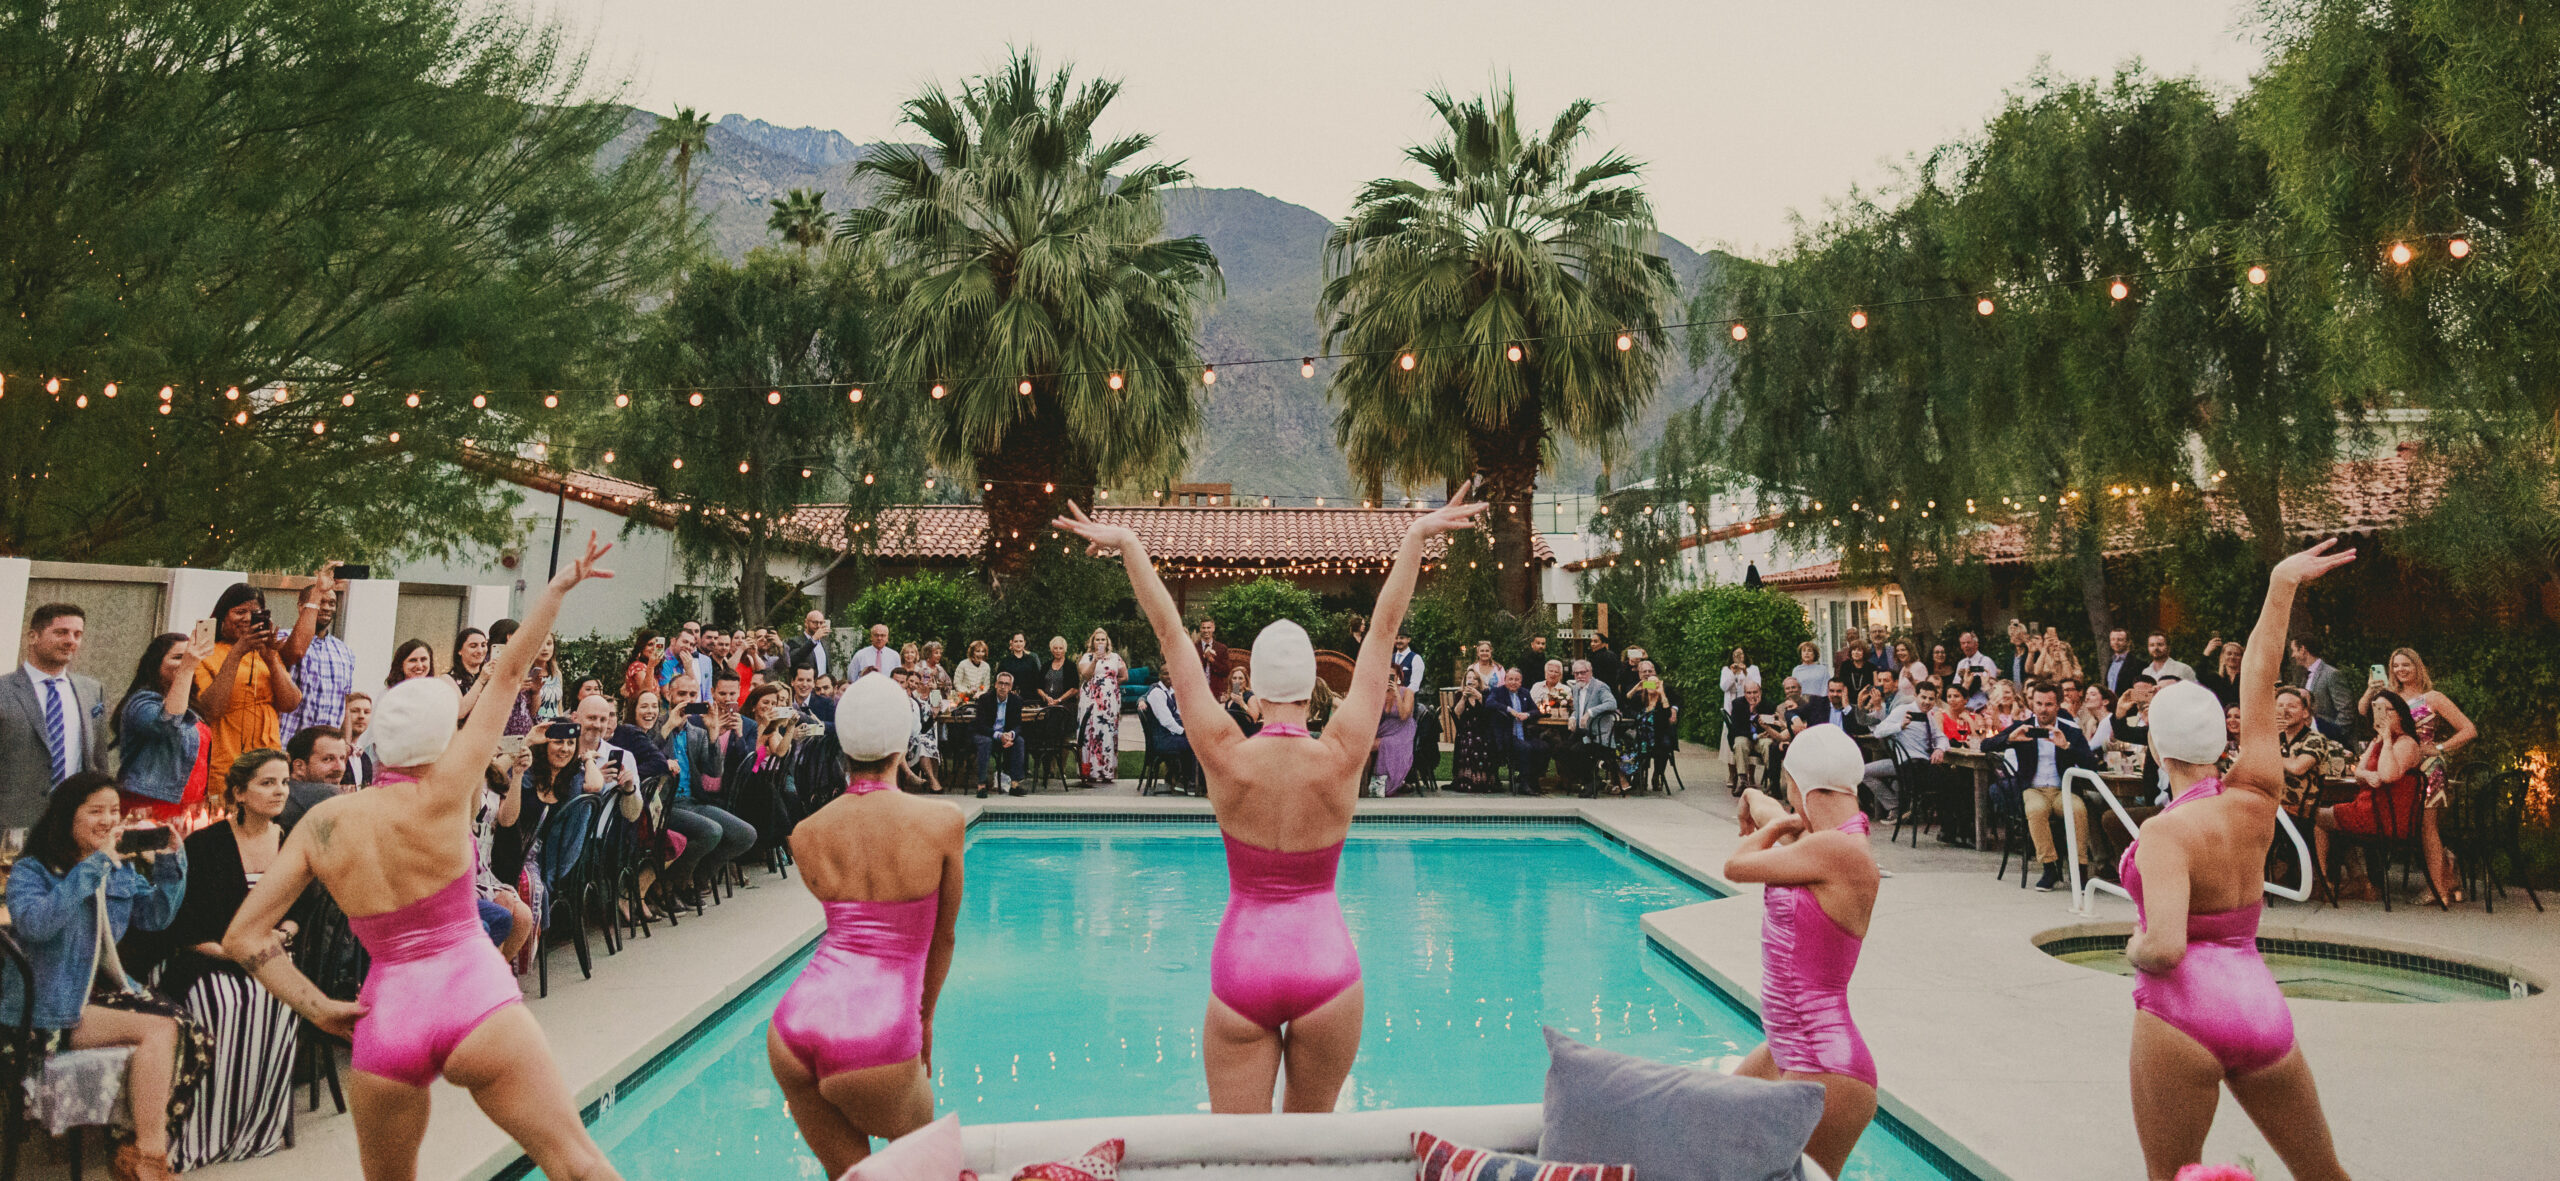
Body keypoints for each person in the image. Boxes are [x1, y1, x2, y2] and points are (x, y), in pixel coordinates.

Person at [1053, 483, 1486, 1114]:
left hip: (1242, 968)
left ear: (1251, 687)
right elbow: (1384, 631)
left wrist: (1130, 547)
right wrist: (1417, 538)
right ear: (1314, 690)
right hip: (1328, 967)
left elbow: (1170, 636)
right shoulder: (1341, 752)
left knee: (1240, 1159)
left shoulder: (1226, 753)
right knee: (1308, 1159)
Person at [221, 533, 624, 1181]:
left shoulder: (324, 820)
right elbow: (510, 674)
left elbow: (243, 935)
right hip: (473, 997)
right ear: (442, 737)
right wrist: (555, 590)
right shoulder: (447, 790)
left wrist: (318, 1005)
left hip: (385, 1021)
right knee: (576, 1163)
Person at [2119, 540, 2353, 1181]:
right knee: (2324, 1173)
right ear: (2222, 739)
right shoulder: (2255, 793)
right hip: (2259, 1005)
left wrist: (2132, 946)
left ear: (2157, 746)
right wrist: (2280, 586)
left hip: (2182, 1014)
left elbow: (2165, 948)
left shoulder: (2165, 832)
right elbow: (2259, 671)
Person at [766, 674, 963, 1176]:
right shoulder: (943, 823)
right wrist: (925, 1019)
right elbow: (942, 937)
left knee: (850, 1177)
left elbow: (845, 928)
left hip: (794, 1027)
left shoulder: (806, 834)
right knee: (921, 1172)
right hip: (879, 1029)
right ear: (903, 748)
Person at [4, 772, 199, 1181]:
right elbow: (37, 925)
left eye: (115, 811)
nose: (110, 820)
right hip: (47, 1005)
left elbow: (156, 917)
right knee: (162, 1029)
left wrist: (170, 862)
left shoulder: (115, 865)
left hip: (99, 991)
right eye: (96, 811)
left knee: (188, 1030)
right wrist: (93, 868)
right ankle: (147, 1159)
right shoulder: (32, 871)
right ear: (65, 816)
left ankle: (138, 1154)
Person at [1724, 726, 1881, 1181]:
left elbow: (1737, 864)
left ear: (1801, 785)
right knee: (1708, 1136)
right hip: (1787, 1048)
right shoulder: (1832, 843)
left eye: (1788, 787)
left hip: (1824, 1067)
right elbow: (1802, 834)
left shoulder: (1835, 850)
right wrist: (1756, 797)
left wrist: (1775, 823)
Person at [148, 751, 304, 1170]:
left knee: (276, 1000)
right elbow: (186, 923)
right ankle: (199, 1129)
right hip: (205, 956)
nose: (279, 791)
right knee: (225, 1003)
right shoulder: (207, 844)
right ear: (239, 792)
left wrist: (284, 933)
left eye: (284, 782)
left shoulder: (290, 841)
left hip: (271, 957)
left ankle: (253, 1125)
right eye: (267, 783)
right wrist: (232, 951)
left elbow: (302, 910)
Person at [2357, 647, 2475, 901]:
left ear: (2417, 666)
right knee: (2408, 825)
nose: (2401, 670)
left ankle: (2439, 889)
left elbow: (2468, 729)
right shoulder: (2389, 697)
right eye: (2396, 666)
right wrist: (2370, 690)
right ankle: (2447, 868)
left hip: (2426, 768)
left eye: (2406, 665)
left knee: (2427, 826)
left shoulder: (2432, 697)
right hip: (2397, 763)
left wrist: (2440, 747)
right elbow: (2363, 711)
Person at [4, 605, 114, 836]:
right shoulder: (4, 691)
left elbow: (98, 760)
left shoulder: (92, 691)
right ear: (33, 636)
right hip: (13, 826)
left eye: (77, 634)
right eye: (61, 632)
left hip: (74, 823)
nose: (71, 641)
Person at [1986, 682, 2098, 891]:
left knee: (2078, 810)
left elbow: (2091, 765)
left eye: (2048, 704)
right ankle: (2049, 867)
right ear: (2032, 704)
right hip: (2033, 788)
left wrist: (2066, 746)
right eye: (2038, 703)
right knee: (2035, 810)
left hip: (2062, 788)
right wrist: (2010, 738)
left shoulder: (2070, 730)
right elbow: (1986, 745)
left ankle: (2079, 867)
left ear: (2057, 706)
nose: (2043, 709)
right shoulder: (2025, 726)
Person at [198, 583, 305, 795]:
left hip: (268, 762)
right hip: (226, 763)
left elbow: (290, 703)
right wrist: (237, 653)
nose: (247, 619)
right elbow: (211, 710)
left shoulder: (266, 654)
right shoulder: (205, 654)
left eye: (255, 613)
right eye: (240, 612)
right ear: (222, 616)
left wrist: (271, 658)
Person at [2315, 690, 2422, 898]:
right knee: (2332, 817)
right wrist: (2368, 774)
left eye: (2386, 710)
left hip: (2388, 817)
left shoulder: (2405, 743)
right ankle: (2360, 880)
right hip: (2368, 808)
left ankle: (2324, 881)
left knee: (2318, 818)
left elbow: (2388, 775)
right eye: (2377, 710)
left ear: (2400, 714)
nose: (2381, 715)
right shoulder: (2376, 741)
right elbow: (2359, 773)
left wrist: (2388, 740)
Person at [113, 630, 216, 824]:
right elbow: (168, 723)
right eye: (178, 657)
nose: (187, 662)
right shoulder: (143, 701)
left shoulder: (192, 706)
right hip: (149, 805)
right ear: (156, 663)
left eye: (190, 657)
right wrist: (187, 669)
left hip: (187, 807)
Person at [276, 563, 356, 744]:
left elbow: (344, 704)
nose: (327, 608)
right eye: (321, 602)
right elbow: (294, 652)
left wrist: (346, 745)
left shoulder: (345, 652)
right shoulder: (282, 638)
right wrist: (318, 591)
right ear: (301, 606)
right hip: (288, 747)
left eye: (332, 603)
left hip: (327, 754)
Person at [1862, 680, 1948, 819]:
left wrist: (1939, 749)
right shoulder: (1903, 710)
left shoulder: (1930, 715)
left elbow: (1941, 737)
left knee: (1952, 782)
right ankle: (1895, 805)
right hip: (1905, 764)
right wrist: (1899, 726)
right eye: (1923, 697)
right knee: (1863, 772)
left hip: (1922, 764)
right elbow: (1878, 731)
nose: (1927, 702)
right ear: (1916, 696)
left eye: (1931, 699)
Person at [1370, 633, 1423, 796]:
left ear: (1399, 677)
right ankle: (1363, 782)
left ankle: (1384, 781)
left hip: (1402, 730)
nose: (1399, 641)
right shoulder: (1381, 693)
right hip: (1386, 729)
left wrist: (1397, 693)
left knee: (1375, 745)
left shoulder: (1415, 661)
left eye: (1392, 676)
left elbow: (1404, 715)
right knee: (1362, 743)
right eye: (1386, 676)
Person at [1075, 629, 1125, 784]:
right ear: (1092, 642)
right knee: (1090, 733)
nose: (1100, 642)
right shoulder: (1086, 657)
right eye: (1097, 640)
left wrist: (1111, 686)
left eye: (1103, 639)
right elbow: (1086, 675)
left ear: (1107, 642)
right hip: (1091, 700)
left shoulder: (1115, 657)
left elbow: (1124, 675)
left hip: (1109, 702)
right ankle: (1088, 772)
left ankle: (1106, 772)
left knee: (1107, 733)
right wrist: (1095, 660)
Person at [278, 725, 350, 830]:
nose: (340, 768)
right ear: (299, 767)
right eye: (328, 759)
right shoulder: (327, 793)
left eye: (342, 758)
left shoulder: (280, 793)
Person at [2289, 635, 2358, 743]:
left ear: (2302, 650)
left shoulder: (2331, 674)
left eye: (2294, 651)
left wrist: (2332, 737)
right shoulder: (2305, 676)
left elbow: (2346, 712)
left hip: (2331, 743)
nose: (2293, 655)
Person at [968, 671, 1027, 798]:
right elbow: (981, 725)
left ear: (1011, 687)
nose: (1003, 687)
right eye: (1000, 683)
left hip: (1004, 736)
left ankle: (1015, 785)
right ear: (995, 685)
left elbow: (1018, 725)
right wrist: (999, 736)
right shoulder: (985, 699)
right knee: (986, 742)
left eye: (1006, 684)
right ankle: (982, 785)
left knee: (1019, 741)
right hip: (985, 734)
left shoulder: (1016, 701)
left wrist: (1010, 735)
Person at [1144, 675, 1199, 794]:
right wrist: (1184, 732)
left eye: (1171, 673)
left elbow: (1178, 712)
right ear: (1159, 675)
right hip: (1162, 740)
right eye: (1165, 673)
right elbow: (1166, 721)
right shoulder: (1157, 693)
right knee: (1195, 744)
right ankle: (1190, 783)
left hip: (1168, 736)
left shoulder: (1170, 691)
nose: (1170, 676)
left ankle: (1183, 781)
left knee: (1195, 740)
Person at [897, 667, 946, 794]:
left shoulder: (933, 694)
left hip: (928, 731)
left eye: (927, 678)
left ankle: (933, 780)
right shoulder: (913, 696)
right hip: (918, 733)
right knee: (924, 744)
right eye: (912, 681)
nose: (925, 681)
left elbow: (935, 712)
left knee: (931, 744)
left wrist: (934, 690)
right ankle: (933, 781)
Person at [1488, 668, 1536, 794]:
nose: (1513, 682)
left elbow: (1536, 711)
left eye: (1517, 680)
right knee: (1526, 748)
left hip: (1525, 733)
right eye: (1510, 679)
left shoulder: (1525, 693)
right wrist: (1509, 710)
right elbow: (1489, 703)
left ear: (1521, 682)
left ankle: (1533, 780)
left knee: (1543, 747)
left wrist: (1527, 714)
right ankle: (1524, 784)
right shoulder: (1498, 692)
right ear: (1505, 680)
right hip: (1506, 735)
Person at [1449, 668, 1496, 792]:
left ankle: (1483, 780)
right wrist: (1464, 699)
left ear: (1479, 681)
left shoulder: (1486, 693)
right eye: (1469, 678)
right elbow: (1457, 713)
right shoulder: (1460, 694)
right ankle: (1467, 779)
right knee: (1470, 741)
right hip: (1466, 730)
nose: (1472, 681)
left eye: (1475, 678)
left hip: (1483, 730)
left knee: (1480, 741)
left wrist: (1479, 697)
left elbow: (1490, 712)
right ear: (1465, 681)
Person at [1728, 682, 1774, 793]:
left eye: (1755, 692)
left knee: (1769, 744)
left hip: (1762, 737)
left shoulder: (1768, 704)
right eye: (1749, 693)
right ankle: (1743, 780)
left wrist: (1757, 709)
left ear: (1760, 692)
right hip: (1745, 736)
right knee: (1740, 743)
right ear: (1744, 694)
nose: (1752, 696)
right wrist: (1751, 711)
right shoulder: (1737, 704)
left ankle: (1773, 781)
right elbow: (1736, 728)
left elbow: (1770, 725)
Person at [619, 631, 664, 718]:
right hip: (639, 716)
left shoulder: (649, 667)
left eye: (657, 645)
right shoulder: (638, 666)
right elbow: (646, 691)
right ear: (642, 647)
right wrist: (651, 666)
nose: (654, 648)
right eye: (650, 644)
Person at [342, 690, 379, 787]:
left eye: (366, 712)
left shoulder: (365, 758)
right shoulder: (336, 755)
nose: (361, 716)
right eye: (354, 711)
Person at [1952, 631, 1996, 709]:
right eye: (1963, 643)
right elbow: (1956, 686)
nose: (1966, 646)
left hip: (1983, 705)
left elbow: (1992, 687)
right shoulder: (1961, 664)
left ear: (1976, 644)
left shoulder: (1986, 661)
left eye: (1969, 642)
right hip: (1964, 705)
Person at [2196, 637, 2245, 707]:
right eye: (2229, 653)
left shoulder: (2246, 680)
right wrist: (2207, 652)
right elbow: (2200, 675)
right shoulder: (2216, 679)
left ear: (2242, 658)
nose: (2232, 657)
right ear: (2222, 657)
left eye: (2237, 654)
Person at [787, 611, 835, 678]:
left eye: (821, 623)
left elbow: (828, 667)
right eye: (815, 622)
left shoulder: (825, 642)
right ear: (806, 622)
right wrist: (813, 639)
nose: (818, 626)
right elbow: (793, 659)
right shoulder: (794, 641)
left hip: (822, 685)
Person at [995, 633, 1043, 698]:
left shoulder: (1032, 661)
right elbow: (998, 682)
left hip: (1029, 699)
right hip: (1010, 698)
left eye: (1021, 641)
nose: (1018, 644)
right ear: (1011, 643)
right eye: (1016, 641)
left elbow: (1037, 682)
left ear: (1024, 643)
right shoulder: (1005, 662)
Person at [1222, 666, 1263, 736]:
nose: (1237, 681)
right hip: (1231, 735)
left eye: (1240, 678)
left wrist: (1242, 703)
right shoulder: (1230, 698)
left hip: (1245, 735)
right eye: (1234, 678)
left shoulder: (1250, 696)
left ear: (1245, 681)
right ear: (1231, 681)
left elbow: (1254, 718)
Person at [2099, 627, 2139, 697]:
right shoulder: (2111, 662)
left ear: (2128, 642)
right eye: (2113, 639)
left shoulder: (2136, 664)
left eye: (2120, 640)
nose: (2116, 642)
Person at [1195, 618, 1233, 687]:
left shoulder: (1221, 648)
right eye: (1203, 628)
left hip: (1216, 690)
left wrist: (1212, 660)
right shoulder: (1194, 648)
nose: (1206, 630)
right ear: (1200, 629)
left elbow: (1226, 671)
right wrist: (1204, 658)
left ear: (1213, 629)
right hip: (1198, 689)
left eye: (1208, 628)